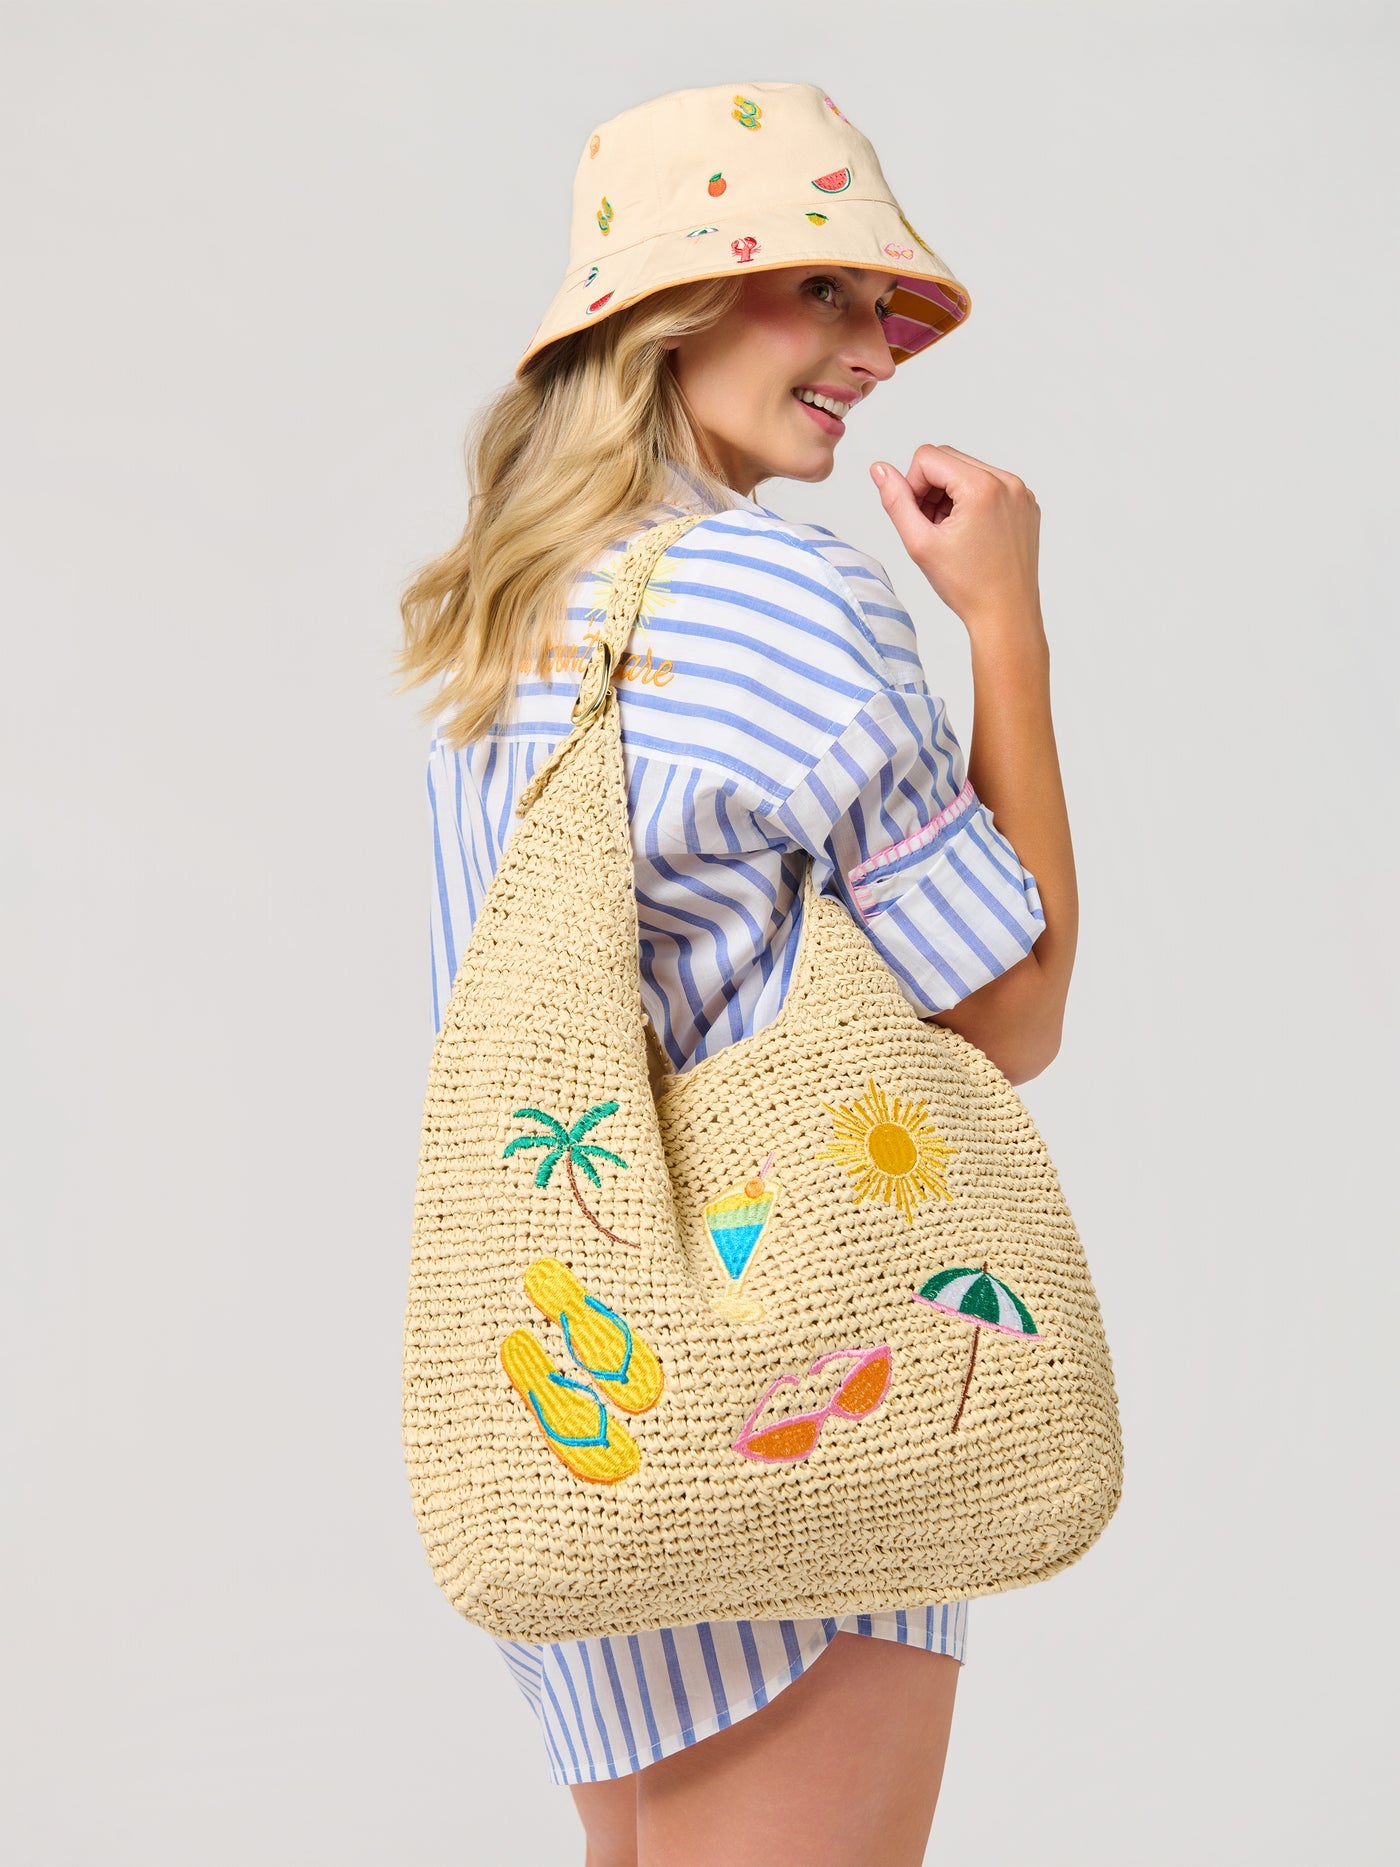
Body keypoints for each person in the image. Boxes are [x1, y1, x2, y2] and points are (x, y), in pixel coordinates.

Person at [395, 81, 1076, 1867]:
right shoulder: (777, 601)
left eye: (876, 304)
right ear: (671, 315)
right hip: (792, 1391)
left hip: (590, 1391)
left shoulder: (517, 615)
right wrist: (1003, 613)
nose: (869, 350)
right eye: (821, 292)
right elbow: (1013, 1011)